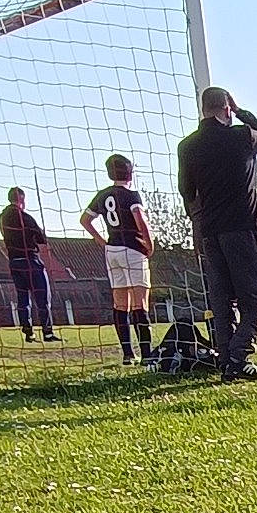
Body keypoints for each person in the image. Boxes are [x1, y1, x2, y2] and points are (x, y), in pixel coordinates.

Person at [177, 85, 257, 381]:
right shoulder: (242, 135)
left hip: (210, 232)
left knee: (222, 300)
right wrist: (244, 113)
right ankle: (238, 355)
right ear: (227, 109)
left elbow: (187, 191)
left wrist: (199, 223)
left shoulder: (188, 146)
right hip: (242, 228)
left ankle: (226, 359)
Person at [81, 154, 155, 364]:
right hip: (132, 248)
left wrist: (101, 241)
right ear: (130, 172)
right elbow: (140, 221)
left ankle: (127, 355)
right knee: (140, 302)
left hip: (112, 250)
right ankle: (147, 355)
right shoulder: (131, 195)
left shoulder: (103, 195)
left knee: (120, 303)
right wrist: (149, 244)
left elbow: (85, 220)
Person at [0, 187, 57, 343]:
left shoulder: (3, 218)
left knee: (23, 298)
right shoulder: (26, 218)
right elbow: (41, 239)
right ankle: (48, 332)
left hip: (14, 262)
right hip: (30, 260)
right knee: (42, 297)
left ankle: (28, 332)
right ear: (22, 200)